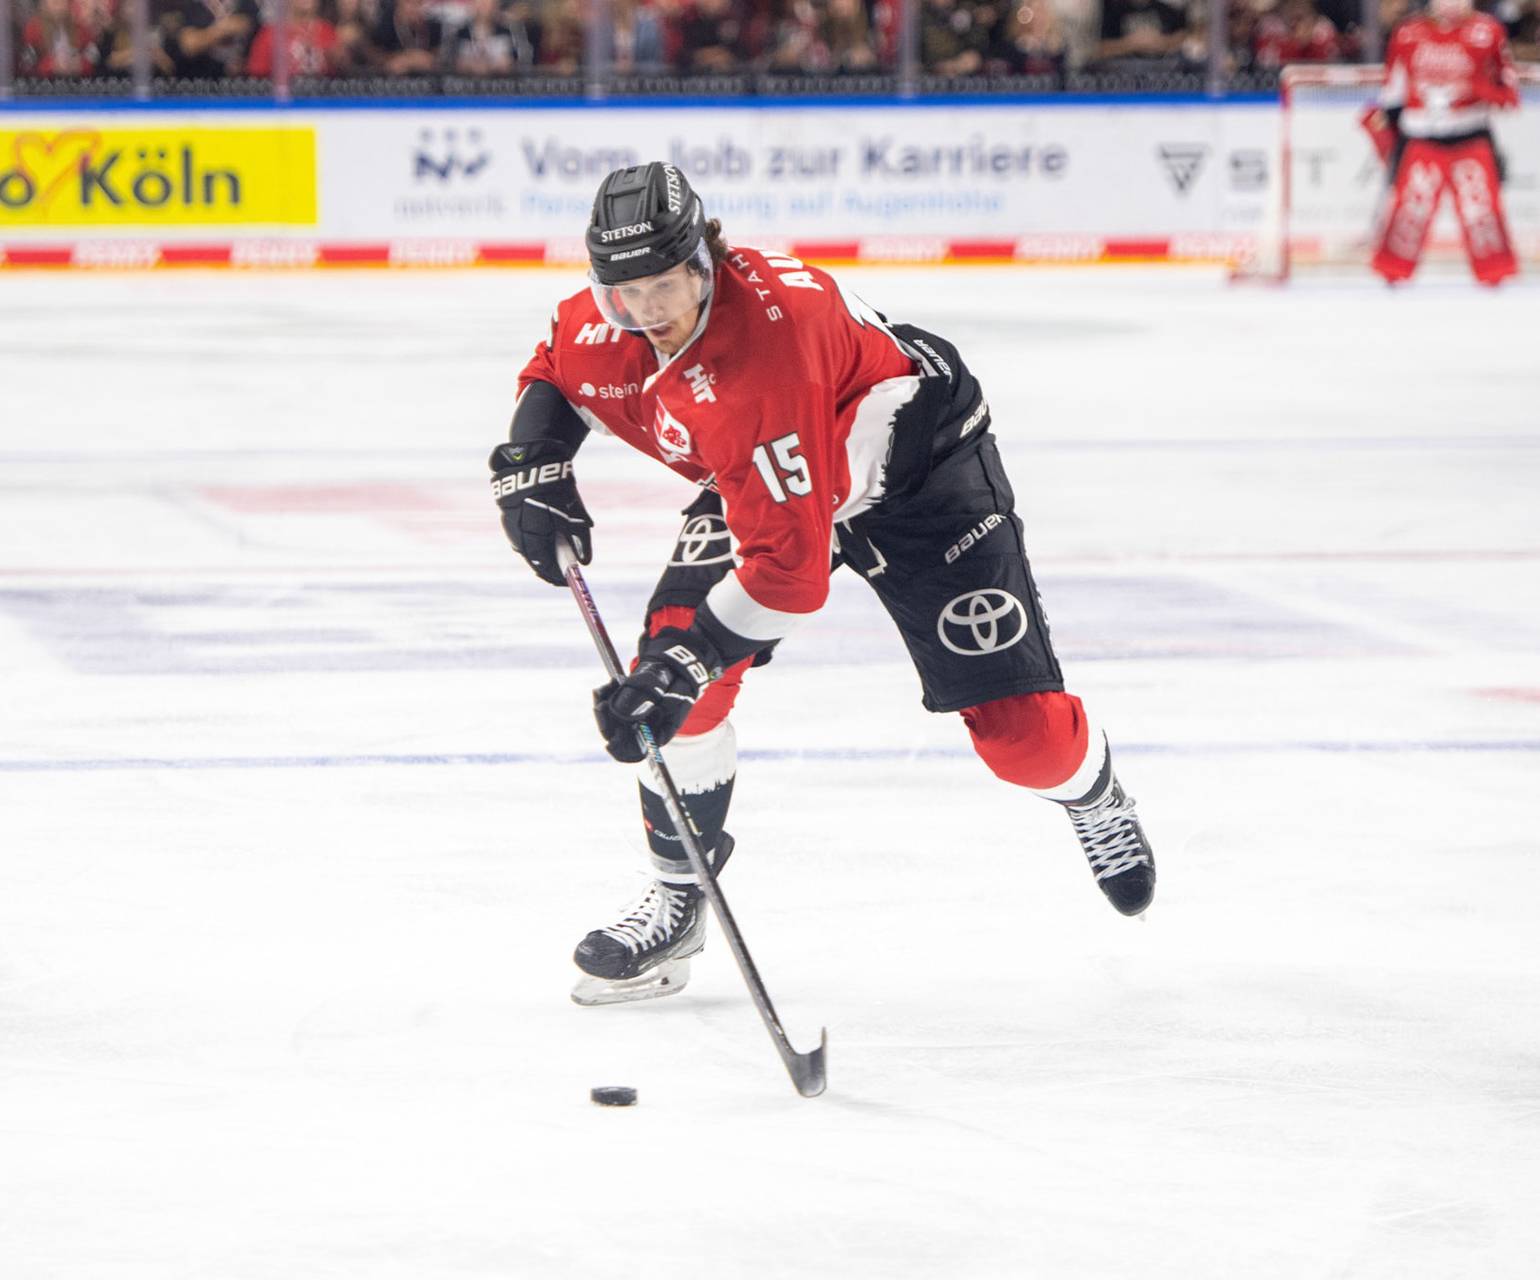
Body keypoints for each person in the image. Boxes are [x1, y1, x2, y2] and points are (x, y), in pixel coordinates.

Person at [489, 162, 1158, 1007]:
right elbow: (556, 373)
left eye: (667, 287)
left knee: (1025, 742)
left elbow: (788, 576)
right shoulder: (605, 322)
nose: (650, 313)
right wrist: (535, 461)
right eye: (627, 295)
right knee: (680, 674)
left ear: (706, 263)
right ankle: (678, 897)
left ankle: (1092, 791)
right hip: (773, 473)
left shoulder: (766, 352)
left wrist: (683, 665)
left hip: (919, 472)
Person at [1362, 0, 1521, 286]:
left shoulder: (1488, 31)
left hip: (1471, 137)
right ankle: (1392, 271)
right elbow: (1394, 91)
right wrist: (1385, 121)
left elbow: (1509, 93)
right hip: (1421, 138)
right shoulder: (1407, 33)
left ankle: (1495, 274)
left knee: (1481, 211)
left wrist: (1478, 90)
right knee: (1410, 210)